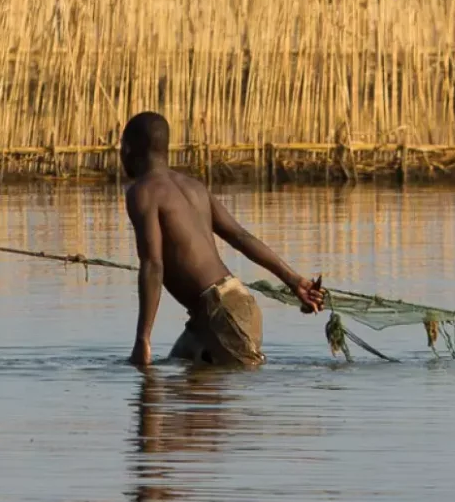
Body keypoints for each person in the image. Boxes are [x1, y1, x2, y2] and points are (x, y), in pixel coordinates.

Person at [122, 111, 324, 368]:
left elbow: (153, 265)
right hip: (229, 305)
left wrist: (143, 338)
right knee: (180, 366)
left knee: (158, 388)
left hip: (223, 315)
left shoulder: (143, 192)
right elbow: (241, 236)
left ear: (128, 148)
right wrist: (293, 280)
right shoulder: (194, 187)